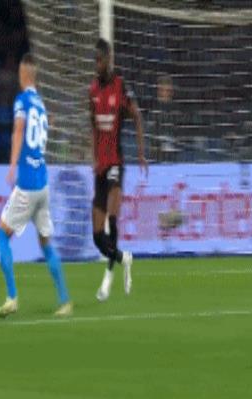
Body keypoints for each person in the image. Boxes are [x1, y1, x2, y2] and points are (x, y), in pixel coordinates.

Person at [0, 53, 72, 318]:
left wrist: (12, 164)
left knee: (2, 235)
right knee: (46, 243)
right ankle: (64, 300)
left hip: (27, 183)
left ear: (23, 74)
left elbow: (19, 130)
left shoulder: (22, 101)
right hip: (43, 183)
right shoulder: (41, 105)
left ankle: (12, 297)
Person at [89, 38, 147, 302]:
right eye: (95, 60)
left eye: (100, 60)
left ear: (109, 59)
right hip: (100, 168)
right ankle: (124, 259)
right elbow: (93, 125)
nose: (97, 64)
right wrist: (93, 157)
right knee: (97, 236)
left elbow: (137, 116)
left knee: (112, 221)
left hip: (116, 164)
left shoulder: (120, 86)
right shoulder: (92, 90)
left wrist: (141, 153)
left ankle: (108, 279)